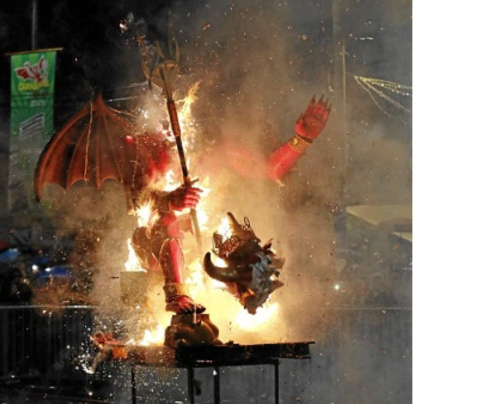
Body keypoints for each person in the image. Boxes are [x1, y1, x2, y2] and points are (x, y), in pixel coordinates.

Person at [128, 95, 331, 313]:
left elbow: (268, 169)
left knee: (242, 248)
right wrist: (171, 200)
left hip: (200, 252)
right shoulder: (151, 148)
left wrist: (301, 140)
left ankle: (242, 297)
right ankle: (176, 297)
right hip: (153, 259)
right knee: (166, 220)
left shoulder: (219, 153)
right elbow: (138, 200)